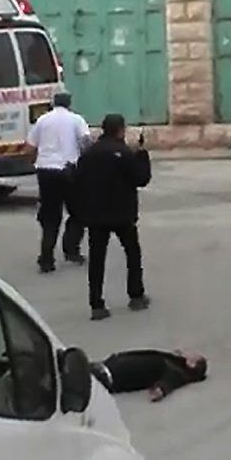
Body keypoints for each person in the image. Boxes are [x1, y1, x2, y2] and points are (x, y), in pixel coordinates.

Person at [77, 114, 152, 321]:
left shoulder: (89, 154)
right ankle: (136, 295)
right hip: (122, 213)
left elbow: (78, 181)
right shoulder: (124, 153)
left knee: (97, 259)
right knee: (132, 253)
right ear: (120, 130)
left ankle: (96, 303)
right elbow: (141, 179)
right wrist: (142, 155)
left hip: (96, 214)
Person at [26, 91, 92, 273]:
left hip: (46, 171)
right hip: (68, 170)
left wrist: (35, 162)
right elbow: (86, 142)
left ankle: (46, 258)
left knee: (50, 217)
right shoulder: (76, 119)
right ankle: (71, 248)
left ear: (53, 103)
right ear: (69, 104)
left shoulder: (43, 120)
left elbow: (30, 147)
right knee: (79, 212)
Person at [91, 349, 207, 402]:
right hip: (109, 367)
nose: (191, 352)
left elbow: (170, 382)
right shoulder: (174, 362)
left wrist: (160, 391)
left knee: (80, 375)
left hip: (113, 374)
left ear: (192, 364)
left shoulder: (177, 371)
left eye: (194, 356)